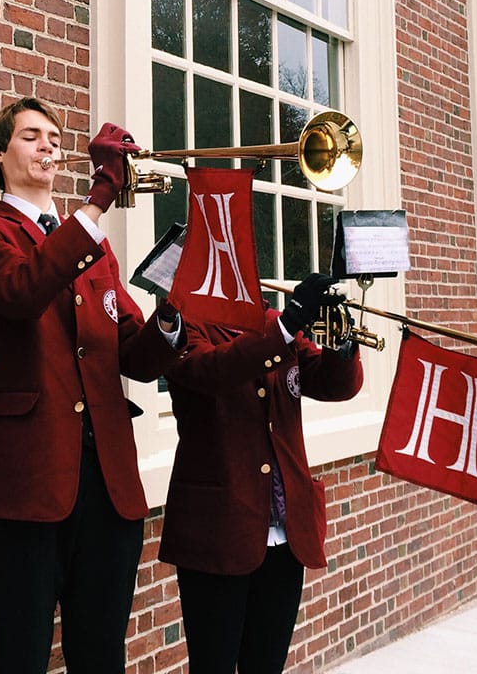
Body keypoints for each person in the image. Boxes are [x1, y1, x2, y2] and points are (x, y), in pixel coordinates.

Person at [0, 96, 184, 674]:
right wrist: (99, 198)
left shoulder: (93, 246)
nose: (49, 145)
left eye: (55, 137)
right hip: (28, 476)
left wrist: (175, 313)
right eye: (31, 136)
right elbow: (21, 293)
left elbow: (136, 356)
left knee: (101, 648)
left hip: (107, 480)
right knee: (21, 647)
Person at [159, 273, 363, 674]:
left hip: (286, 533)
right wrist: (286, 326)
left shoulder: (272, 321)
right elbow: (212, 371)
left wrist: (342, 340)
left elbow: (333, 384)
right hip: (219, 530)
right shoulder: (186, 324)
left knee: (267, 664)